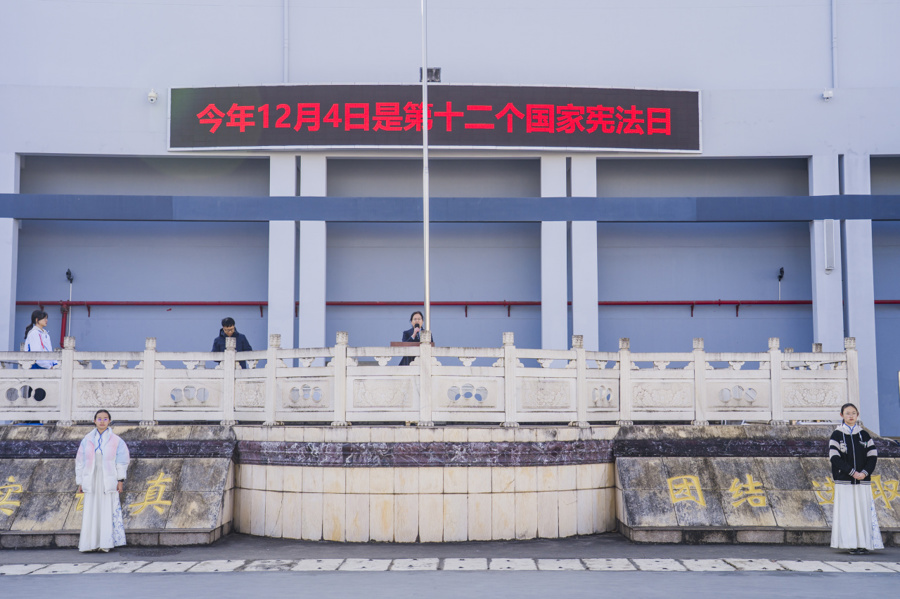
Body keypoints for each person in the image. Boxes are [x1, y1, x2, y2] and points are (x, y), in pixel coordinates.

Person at [829, 402, 883, 554]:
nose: (851, 416)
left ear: (857, 415)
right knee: (848, 513)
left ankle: (863, 544)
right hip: (844, 480)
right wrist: (852, 472)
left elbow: (872, 456)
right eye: (847, 413)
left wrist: (864, 473)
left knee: (863, 513)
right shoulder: (837, 435)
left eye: (853, 413)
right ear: (842, 415)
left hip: (862, 481)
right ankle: (850, 544)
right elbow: (834, 457)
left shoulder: (864, 435)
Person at [75, 409, 130, 553]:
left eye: (105, 419)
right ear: (94, 421)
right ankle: (89, 543)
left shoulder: (117, 441)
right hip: (91, 478)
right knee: (91, 510)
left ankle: (105, 543)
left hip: (108, 479)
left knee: (106, 510)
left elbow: (122, 461)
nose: (102, 421)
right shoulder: (87, 440)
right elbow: (80, 461)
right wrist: (80, 481)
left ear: (109, 421)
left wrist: (120, 480)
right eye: (99, 419)